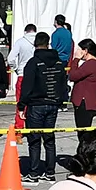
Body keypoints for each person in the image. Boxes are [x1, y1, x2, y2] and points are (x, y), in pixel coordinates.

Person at [19, 34, 66, 182]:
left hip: (36, 105)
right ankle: (50, 172)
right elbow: (63, 83)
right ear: (48, 44)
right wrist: (62, 101)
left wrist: (21, 106)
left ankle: (34, 173)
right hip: (53, 104)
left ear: (35, 44)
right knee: (49, 139)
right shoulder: (59, 62)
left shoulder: (33, 63)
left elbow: (26, 86)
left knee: (34, 140)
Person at [67, 38, 96, 147]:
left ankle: (85, 155)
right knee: (84, 132)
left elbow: (73, 76)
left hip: (85, 103)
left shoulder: (91, 64)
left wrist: (75, 60)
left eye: (80, 50)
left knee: (83, 134)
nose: (78, 52)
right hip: (90, 102)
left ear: (86, 51)